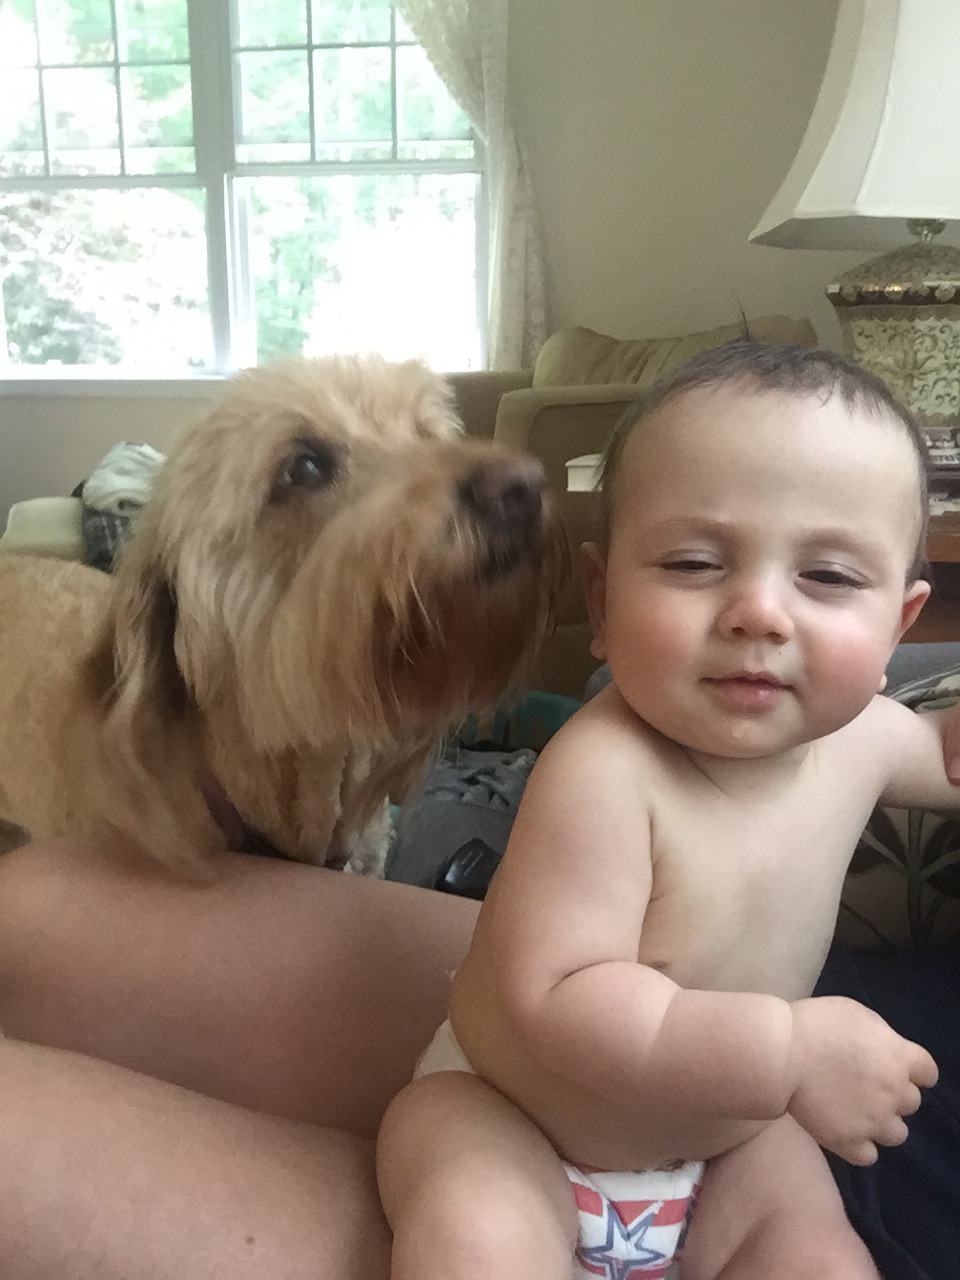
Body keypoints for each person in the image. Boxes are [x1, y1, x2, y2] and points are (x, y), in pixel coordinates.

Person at [375, 340, 960, 1280]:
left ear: (899, 624)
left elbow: (945, 757)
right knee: (475, 1236)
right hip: (518, 1122)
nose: (758, 612)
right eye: (693, 563)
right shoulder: (603, 770)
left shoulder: (871, 739)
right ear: (601, 599)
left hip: (728, 1141)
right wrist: (784, 1052)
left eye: (828, 578)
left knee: (820, 1254)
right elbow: (560, 998)